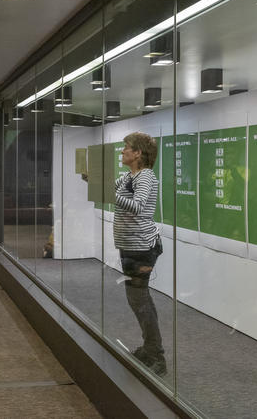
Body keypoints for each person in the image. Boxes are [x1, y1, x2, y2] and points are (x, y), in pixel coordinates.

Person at [112, 132, 165, 376]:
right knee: (139, 299)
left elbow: (138, 206)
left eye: (127, 147)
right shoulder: (128, 176)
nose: (122, 151)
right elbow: (112, 190)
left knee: (139, 300)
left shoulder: (145, 177)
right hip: (130, 246)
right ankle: (150, 347)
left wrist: (110, 194)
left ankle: (156, 356)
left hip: (141, 248)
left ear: (138, 154)